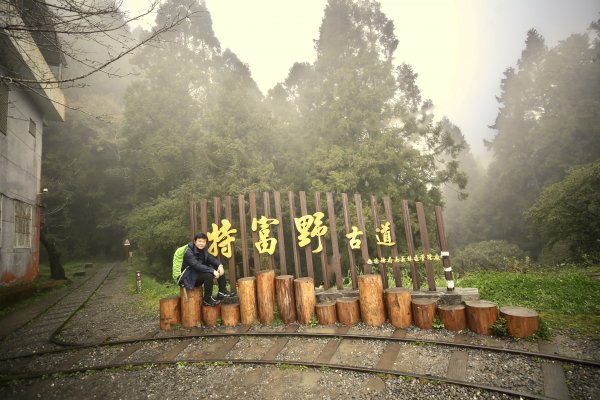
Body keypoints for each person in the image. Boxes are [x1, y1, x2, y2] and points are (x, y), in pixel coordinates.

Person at [179, 232, 233, 306]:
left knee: (218, 267)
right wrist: (212, 271)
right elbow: (196, 265)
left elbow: (211, 259)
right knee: (208, 275)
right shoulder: (189, 252)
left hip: (197, 274)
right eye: (199, 241)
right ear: (195, 242)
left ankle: (222, 292)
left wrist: (220, 265)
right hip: (189, 277)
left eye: (203, 241)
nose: (201, 243)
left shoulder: (203, 250)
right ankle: (207, 299)